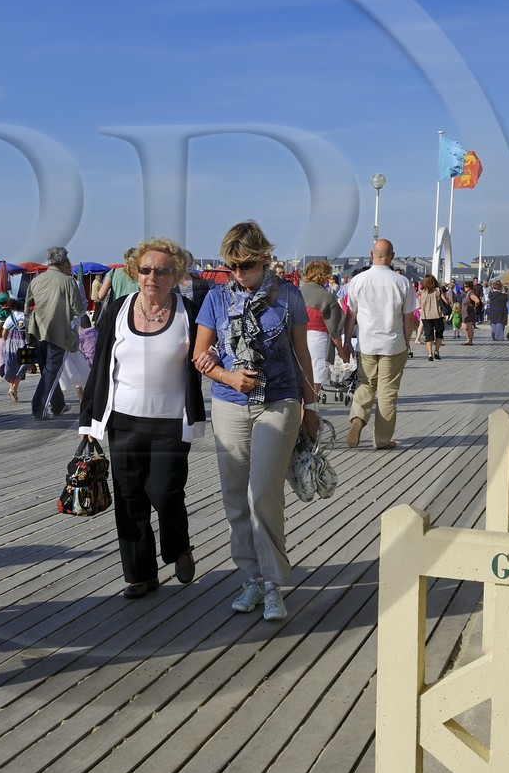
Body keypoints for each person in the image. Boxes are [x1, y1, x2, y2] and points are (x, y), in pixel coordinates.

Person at [191, 221, 320, 623]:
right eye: (232, 266)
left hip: (279, 402)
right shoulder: (216, 298)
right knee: (234, 495)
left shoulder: (289, 297)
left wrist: (311, 406)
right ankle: (250, 577)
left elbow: (302, 355)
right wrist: (228, 376)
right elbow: (200, 355)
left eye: (245, 265)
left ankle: (273, 583)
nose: (238, 274)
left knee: (262, 493)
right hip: (229, 403)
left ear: (264, 258)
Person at [79, 238, 206, 598]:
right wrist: (89, 421)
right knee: (130, 497)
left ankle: (178, 546)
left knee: (166, 492)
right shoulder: (118, 308)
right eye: (146, 270)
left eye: (162, 271)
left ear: (176, 275)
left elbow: (205, 357)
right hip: (123, 419)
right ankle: (140, 574)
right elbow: (101, 365)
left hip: (171, 421)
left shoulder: (189, 313)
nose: (153, 277)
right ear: (135, 272)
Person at [343, 240, 418, 451]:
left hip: (367, 343)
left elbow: (351, 315)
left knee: (365, 384)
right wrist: (406, 340)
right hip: (393, 344)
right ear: (392, 256)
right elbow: (409, 318)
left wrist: (348, 341)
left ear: (371, 254)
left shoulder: (358, 280)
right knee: (387, 392)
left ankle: (358, 417)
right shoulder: (402, 282)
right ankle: (383, 439)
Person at [26, 246, 85, 420]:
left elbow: (27, 307)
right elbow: (78, 309)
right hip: (59, 333)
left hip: (38, 331)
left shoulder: (36, 280)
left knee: (48, 370)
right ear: (64, 261)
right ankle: (38, 409)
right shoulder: (68, 281)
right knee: (52, 372)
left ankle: (58, 406)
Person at [298, 259, 349, 390]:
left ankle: (302, 407)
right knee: (316, 376)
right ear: (324, 276)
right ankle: (311, 406)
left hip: (297, 337)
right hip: (318, 339)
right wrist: (342, 353)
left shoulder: (297, 292)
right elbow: (334, 331)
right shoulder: (327, 297)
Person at [416, 274, 452, 361]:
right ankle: (437, 351)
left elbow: (420, 304)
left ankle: (429, 354)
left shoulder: (421, 292)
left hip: (425, 316)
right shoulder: (438, 290)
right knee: (439, 333)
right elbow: (446, 301)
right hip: (437, 315)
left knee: (428, 335)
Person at [0, 299, 29, 402]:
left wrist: (6, 342)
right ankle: (14, 388)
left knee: (11, 365)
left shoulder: (9, 318)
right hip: (23, 343)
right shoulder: (26, 316)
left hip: (10, 343)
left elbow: (4, 333)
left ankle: (11, 388)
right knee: (22, 366)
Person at [458, 282, 481, 346]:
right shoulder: (466, 293)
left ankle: (470, 340)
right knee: (464, 326)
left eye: (467, 286)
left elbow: (477, 300)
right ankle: (468, 339)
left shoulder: (471, 293)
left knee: (469, 326)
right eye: (464, 286)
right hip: (464, 312)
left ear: (471, 287)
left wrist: (475, 306)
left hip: (469, 312)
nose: (465, 287)